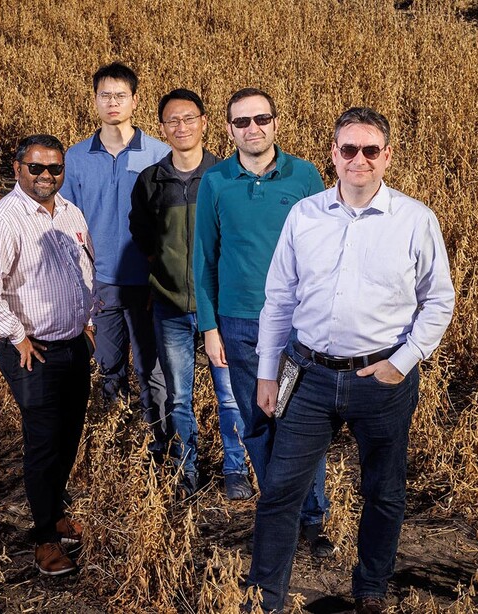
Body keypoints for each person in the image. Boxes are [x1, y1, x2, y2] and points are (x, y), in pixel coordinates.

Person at [247, 108, 456, 613]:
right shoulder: (306, 215)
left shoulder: (415, 219)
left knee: (383, 493)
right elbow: (278, 299)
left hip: (381, 380)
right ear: (334, 155)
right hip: (311, 375)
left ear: (387, 156)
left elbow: (439, 300)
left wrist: (401, 362)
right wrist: (267, 372)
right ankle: (264, 598)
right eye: (348, 150)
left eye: (369, 150)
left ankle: (370, 590)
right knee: (279, 491)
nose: (358, 160)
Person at [193, 88, 333, 556]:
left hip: (297, 326)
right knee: (256, 420)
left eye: (261, 118)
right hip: (238, 323)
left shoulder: (306, 175)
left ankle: (312, 517)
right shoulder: (215, 182)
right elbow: (204, 258)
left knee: (302, 423)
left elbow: (330, 249)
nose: (253, 128)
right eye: (242, 122)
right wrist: (210, 327)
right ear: (228, 129)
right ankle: (280, 511)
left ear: (275, 122)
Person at [0, 134, 96, 576]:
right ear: (17, 168)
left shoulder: (70, 212)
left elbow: (85, 270)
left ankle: (55, 513)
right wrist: (14, 335)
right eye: (36, 168)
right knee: (43, 444)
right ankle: (44, 541)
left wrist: (88, 322)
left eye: (55, 169)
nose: (45, 176)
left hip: (73, 345)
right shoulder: (3, 220)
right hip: (33, 352)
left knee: (68, 437)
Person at [129, 88, 252, 500]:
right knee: (180, 397)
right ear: (162, 128)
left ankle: (236, 469)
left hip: (221, 308)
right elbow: (143, 237)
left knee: (230, 396)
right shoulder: (151, 181)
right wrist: (164, 277)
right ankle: (187, 470)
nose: (181, 127)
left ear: (203, 122)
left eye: (189, 119)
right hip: (170, 308)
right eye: (172, 121)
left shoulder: (226, 177)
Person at [60, 62, 171, 446]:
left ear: (134, 101)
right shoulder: (75, 158)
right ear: (94, 100)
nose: (112, 102)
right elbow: (67, 223)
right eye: (105, 95)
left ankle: (158, 441)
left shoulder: (159, 154)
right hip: (100, 281)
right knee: (109, 367)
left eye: (120, 95)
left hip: (147, 281)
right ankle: (118, 442)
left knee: (151, 369)